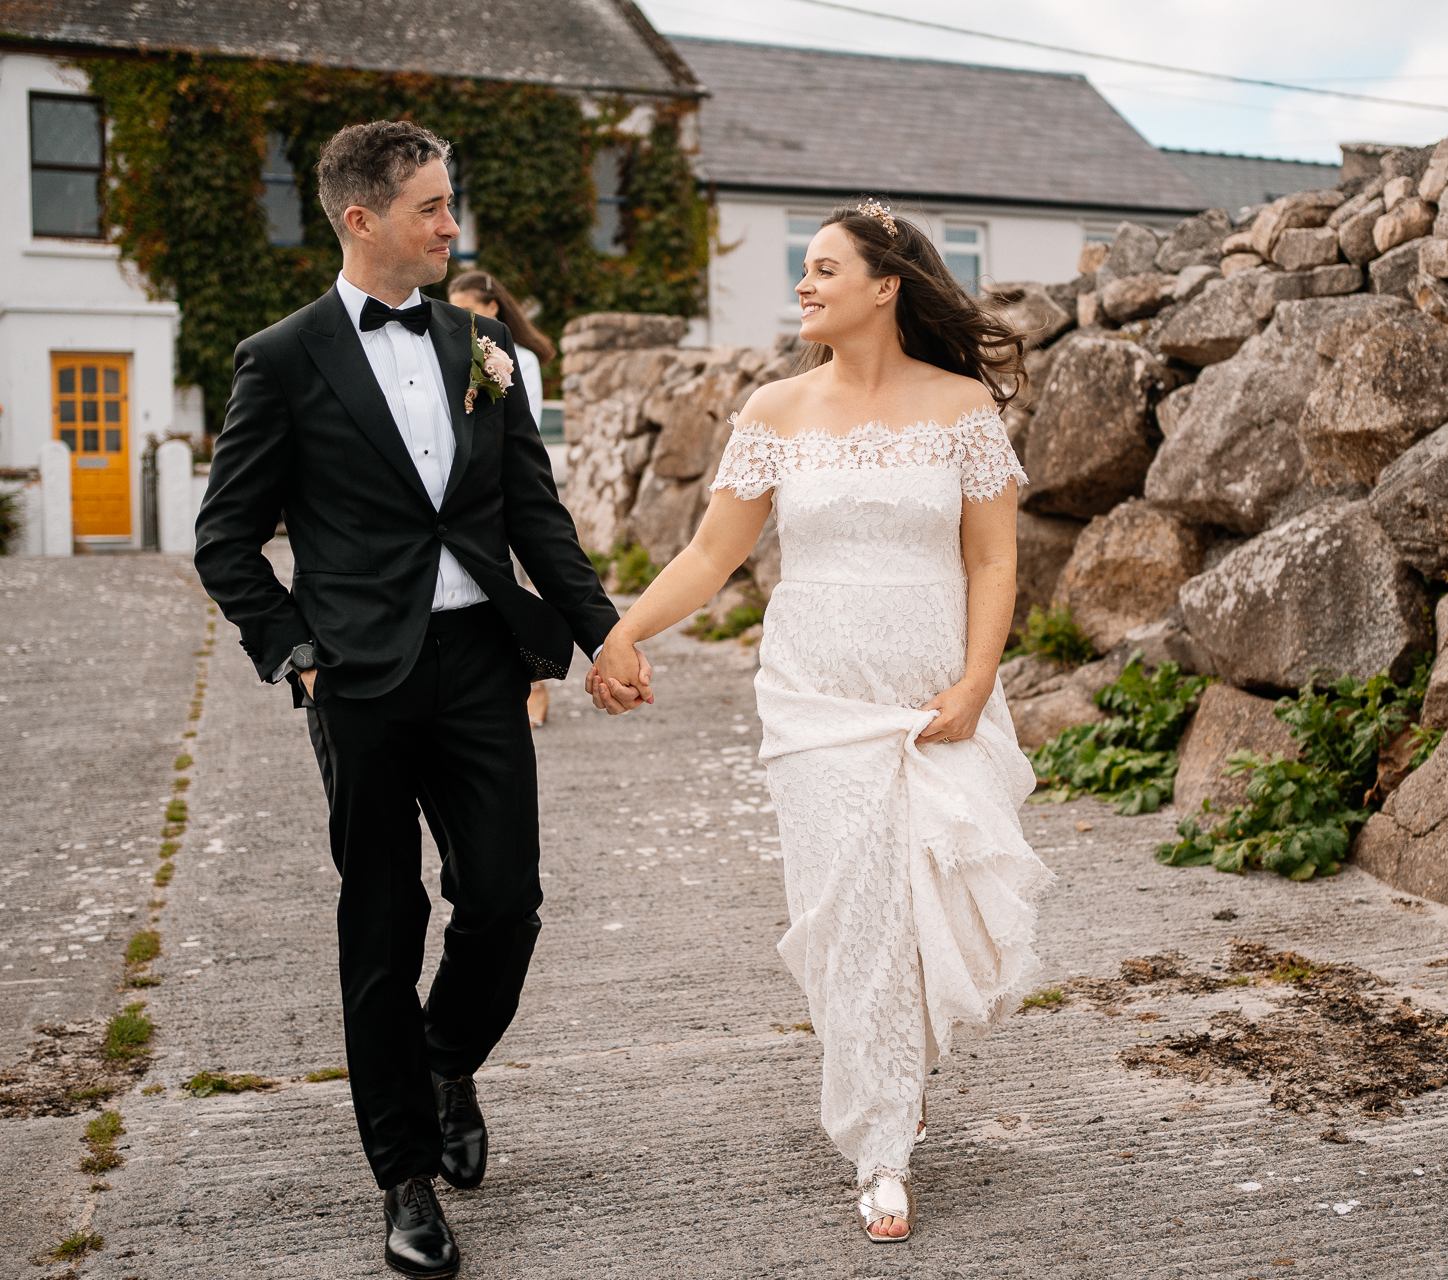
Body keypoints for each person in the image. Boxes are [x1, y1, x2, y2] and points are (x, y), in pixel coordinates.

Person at [194, 120, 620, 1279]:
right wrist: (296, 652)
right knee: (382, 921)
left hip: (481, 658)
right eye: (433, 207)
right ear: (362, 219)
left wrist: (602, 632)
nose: (451, 225)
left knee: (506, 897)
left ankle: (441, 1058)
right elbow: (225, 541)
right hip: (361, 681)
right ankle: (404, 1172)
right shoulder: (279, 359)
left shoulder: (484, 348)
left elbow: (535, 516)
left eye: (450, 203)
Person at [586, 200, 1051, 1242]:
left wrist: (978, 680)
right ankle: (884, 1143)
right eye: (804, 268)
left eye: (824, 268)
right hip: (812, 699)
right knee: (851, 914)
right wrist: (624, 629)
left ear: (885, 286)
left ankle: (892, 1077)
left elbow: (992, 558)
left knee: (919, 904)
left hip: (933, 698)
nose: (804, 285)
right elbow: (711, 556)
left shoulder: (963, 407)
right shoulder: (773, 411)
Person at [446, 271, 559, 731]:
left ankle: (538, 680)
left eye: (466, 307)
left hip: (513, 479)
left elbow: (518, 416)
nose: (459, 317)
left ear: (491, 308)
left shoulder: (519, 357)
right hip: (476, 486)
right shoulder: (453, 347)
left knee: (524, 584)